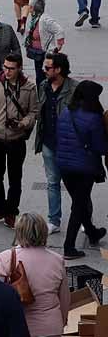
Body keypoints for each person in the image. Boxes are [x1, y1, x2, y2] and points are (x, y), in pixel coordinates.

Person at [0, 52, 37, 231]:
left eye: (11, 68)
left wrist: (22, 123)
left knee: (15, 177)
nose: (7, 71)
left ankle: (11, 210)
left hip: (16, 138)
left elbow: (34, 112)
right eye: (5, 67)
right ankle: (0, 208)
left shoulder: (29, 87)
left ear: (19, 68)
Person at [0, 213, 70, 337]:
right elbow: (64, 298)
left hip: (17, 327)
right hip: (50, 327)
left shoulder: (6, 258)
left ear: (19, 232)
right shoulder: (57, 260)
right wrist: (62, 321)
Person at [56, 80, 108, 259]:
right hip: (84, 168)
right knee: (79, 205)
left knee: (80, 201)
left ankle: (92, 232)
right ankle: (69, 247)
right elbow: (101, 147)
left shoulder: (65, 112)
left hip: (64, 166)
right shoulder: (94, 118)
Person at [35, 52, 78, 234]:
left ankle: (83, 215)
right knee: (53, 182)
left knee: (75, 184)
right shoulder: (44, 86)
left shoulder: (75, 89)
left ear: (58, 70)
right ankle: (54, 220)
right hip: (49, 142)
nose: (44, 71)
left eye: (47, 68)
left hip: (69, 145)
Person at [24, 0, 65, 85]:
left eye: (30, 7)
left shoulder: (45, 20)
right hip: (37, 53)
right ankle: (41, 93)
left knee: (43, 76)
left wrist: (59, 44)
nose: (29, 9)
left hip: (45, 53)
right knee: (39, 75)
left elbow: (59, 30)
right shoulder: (34, 19)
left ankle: (44, 93)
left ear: (35, 8)